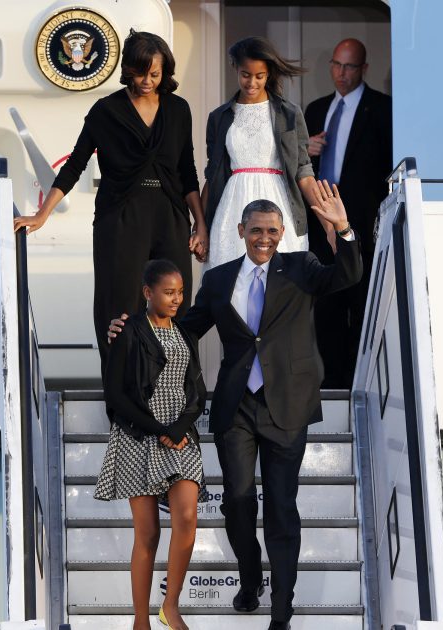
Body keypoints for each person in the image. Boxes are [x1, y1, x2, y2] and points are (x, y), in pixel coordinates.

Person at [110, 182, 362, 630]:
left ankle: (281, 615)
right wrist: (131, 330)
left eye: (272, 230)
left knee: (282, 508)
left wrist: (342, 229)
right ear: (242, 230)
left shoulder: (302, 267)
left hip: (288, 404)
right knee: (238, 504)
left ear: (281, 233)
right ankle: (250, 579)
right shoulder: (219, 279)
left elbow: (347, 275)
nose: (264, 238)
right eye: (256, 230)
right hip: (237, 407)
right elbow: (182, 328)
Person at [13, 30, 206, 374]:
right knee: (119, 307)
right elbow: (75, 163)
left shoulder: (178, 109)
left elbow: (187, 171)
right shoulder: (107, 110)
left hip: (170, 216)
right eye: (140, 72)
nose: (147, 81)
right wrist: (42, 215)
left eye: (155, 74)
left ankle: (171, 397)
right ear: (128, 69)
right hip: (120, 217)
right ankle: (123, 400)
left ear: (165, 73)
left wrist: (200, 225)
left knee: (174, 304)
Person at [96, 259, 207, 630]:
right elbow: (114, 394)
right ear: (148, 292)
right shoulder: (128, 332)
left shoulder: (186, 334)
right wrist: (156, 427)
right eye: (168, 292)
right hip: (138, 436)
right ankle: (140, 620)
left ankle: (170, 606)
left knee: (187, 517)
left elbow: (197, 391)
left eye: (180, 293)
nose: (176, 299)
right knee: (147, 534)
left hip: (180, 436)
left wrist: (178, 428)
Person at [304, 38, 393, 387]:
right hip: (319, 222)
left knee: (360, 304)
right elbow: (298, 167)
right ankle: (332, 385)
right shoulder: (315, 109)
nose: (341, 74)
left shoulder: (383, 109)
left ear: (364, 69)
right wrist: (306, 149)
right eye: (336, 65)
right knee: (326, 307)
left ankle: (358, 384)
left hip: (362, 223)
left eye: (349, 66)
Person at [202, 36, 327, 270]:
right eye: (245, 75)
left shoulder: (289, 113)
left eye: (259, 76)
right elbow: (213, 175)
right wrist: (200, 226)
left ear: (268, 74)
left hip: (279, 203)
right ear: (235, 69)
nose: (252, 83)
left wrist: (329, 224)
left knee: (281, 281)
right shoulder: (219, 117)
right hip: (231, 210)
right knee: (230, 283)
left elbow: (303, 171)